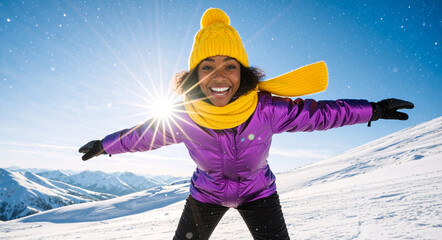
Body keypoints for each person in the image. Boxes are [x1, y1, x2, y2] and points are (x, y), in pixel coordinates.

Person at [79, 8, 414, 240]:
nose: (220, 77)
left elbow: (323, 114)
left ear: (243, 73)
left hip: (259, 195)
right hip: (205, 198)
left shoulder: (266, 109)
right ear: (195, 77)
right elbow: (142, 136)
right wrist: (104, 146)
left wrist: (372, 110)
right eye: (207, 67)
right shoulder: (184, 117)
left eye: (230, 66)